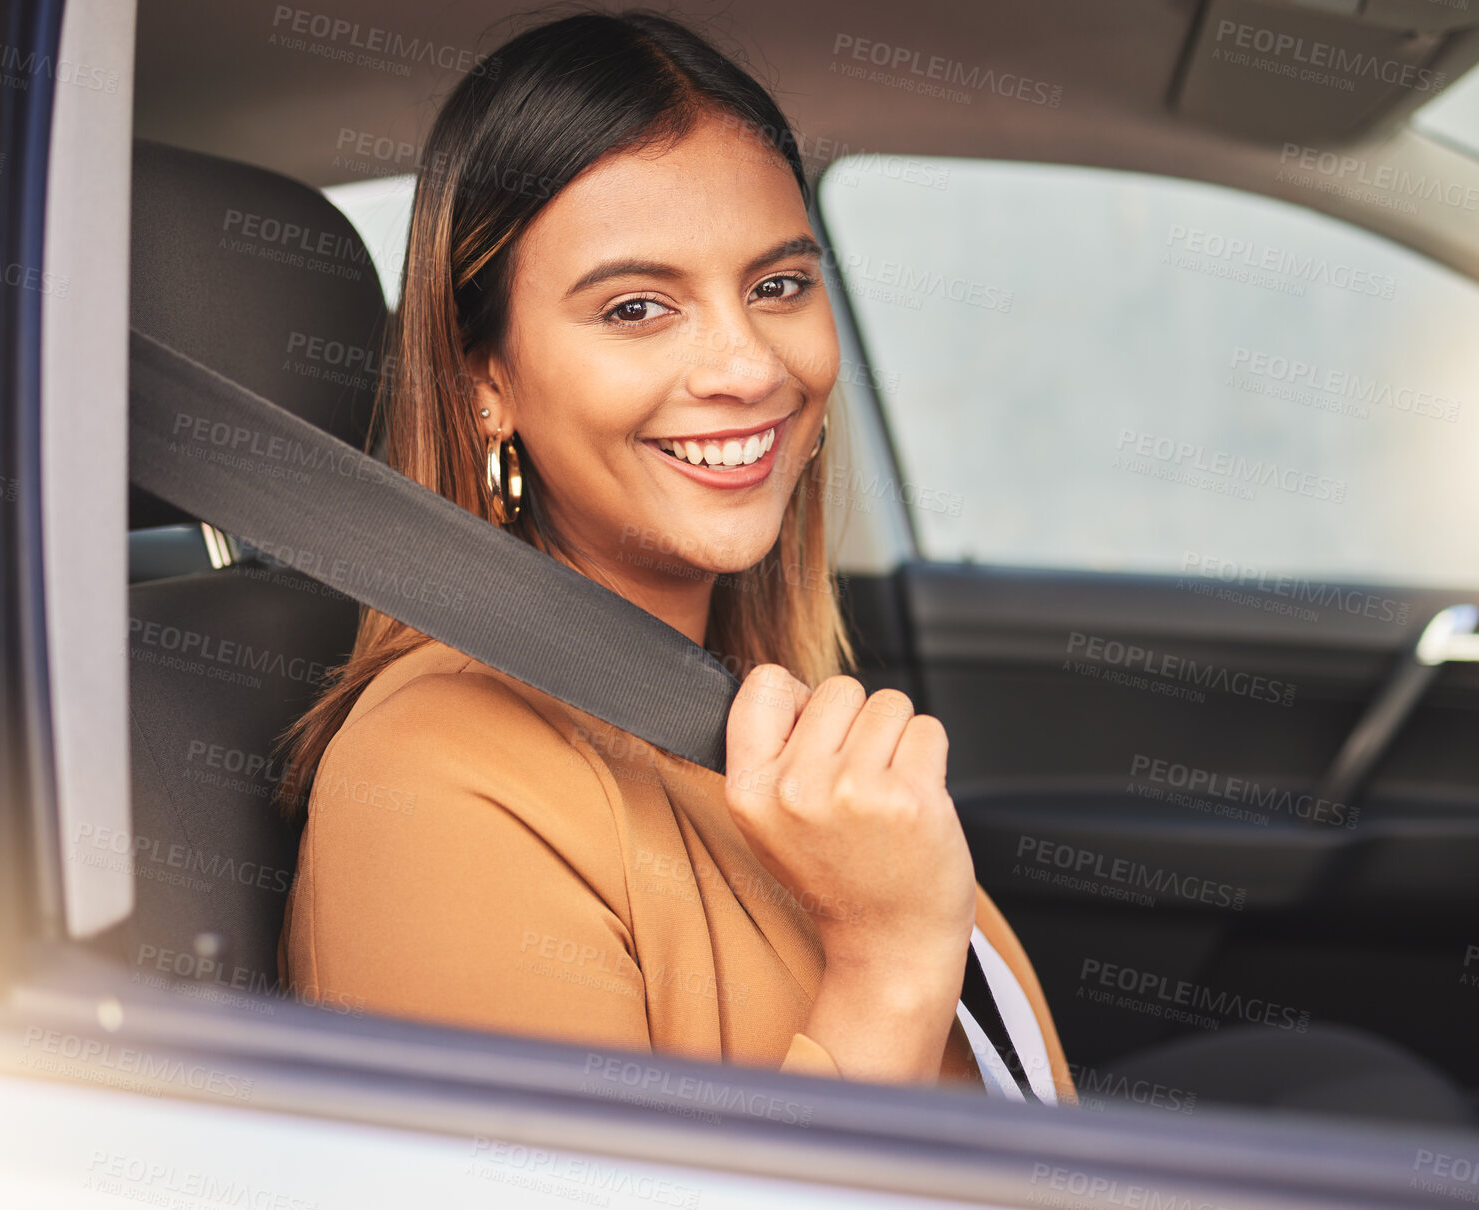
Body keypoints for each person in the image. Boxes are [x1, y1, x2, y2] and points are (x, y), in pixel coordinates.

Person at [275, 8, 1075, 1100]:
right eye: (637, 307)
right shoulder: (430, 777)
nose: (745, 366)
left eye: (778, 286)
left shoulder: (758, 707)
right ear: (484, 381)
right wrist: (888, 962)